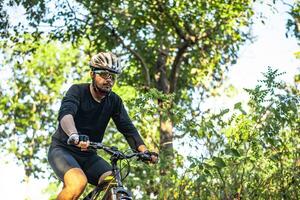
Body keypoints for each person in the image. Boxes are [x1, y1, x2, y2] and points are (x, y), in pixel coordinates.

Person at [48, 52, 158, 200]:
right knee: (78, 182)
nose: (109, 80)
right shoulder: (77, 91)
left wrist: (145, 152)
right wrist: (74, 135)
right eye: (104, 74)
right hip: (63, 150)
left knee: (113, 181)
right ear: (92, 74)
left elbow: (128, 128)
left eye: (112, 76)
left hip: (89, 155)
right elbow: (66, 115)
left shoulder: (114, 101)